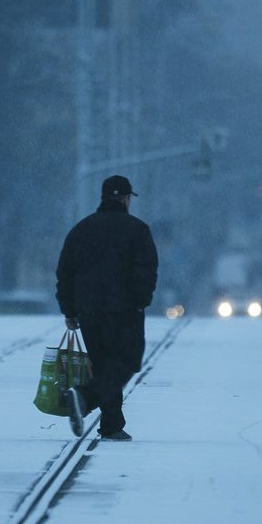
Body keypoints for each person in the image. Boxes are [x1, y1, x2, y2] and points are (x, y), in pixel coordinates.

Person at [55, 175, 158, 441]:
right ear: (125, 199)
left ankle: (111, 425)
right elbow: (146, 270)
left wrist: (69, 310)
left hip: (89, 311)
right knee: (124, 363)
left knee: (102, 365)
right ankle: (84, 397)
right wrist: (140, 300)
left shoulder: (81, 230)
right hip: (124, 311)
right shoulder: (137, 230)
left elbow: (65, 271)